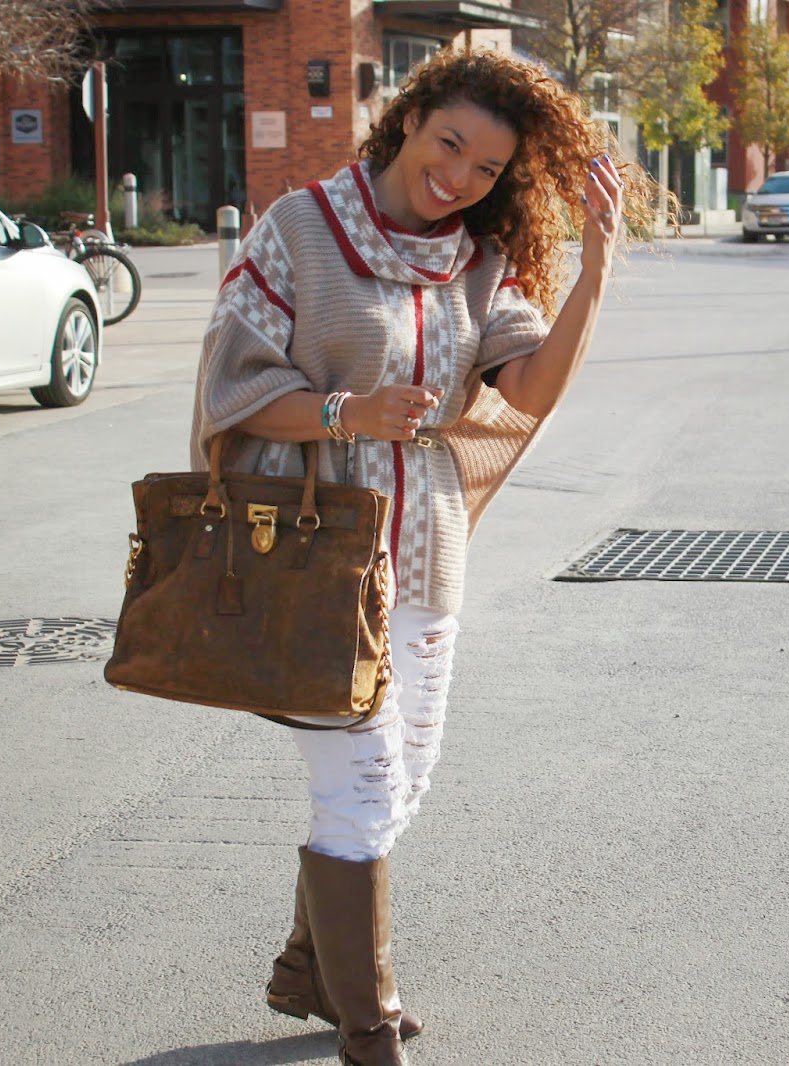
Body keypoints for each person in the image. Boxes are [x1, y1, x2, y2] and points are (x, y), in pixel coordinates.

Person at [189, 47, 658, 1066]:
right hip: (316, 562)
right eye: (449, 144)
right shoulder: (302, 229)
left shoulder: (478, 262)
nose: (459, 177)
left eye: (487, 168)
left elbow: (528, 392)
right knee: (361, 789)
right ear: (409, 119)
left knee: (401, 782)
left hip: (426, 553)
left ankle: (309, 968)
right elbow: (233, 387)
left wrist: (593, 267)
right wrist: (346, 411)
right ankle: (370, 1026)